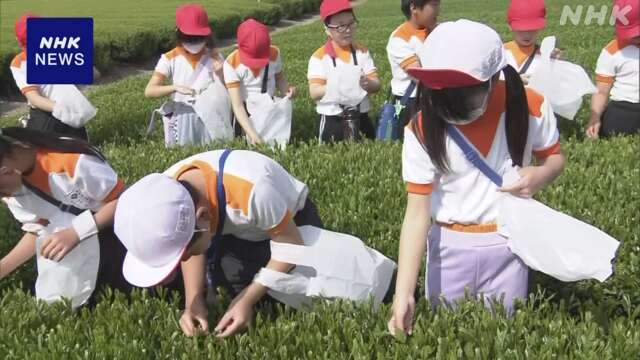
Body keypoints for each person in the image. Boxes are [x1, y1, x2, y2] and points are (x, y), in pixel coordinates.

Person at [388, 20, 565, 336]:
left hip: (511, 244)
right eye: (443, 94)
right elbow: (416, 215)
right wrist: (404, 294)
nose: (452, 105)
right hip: (449, 248)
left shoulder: (530, 105)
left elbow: (554, 158)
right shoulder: (421, 128)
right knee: (449, 336)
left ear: (493, 78)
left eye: (464, 94)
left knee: (506, 335)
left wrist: (542, 174)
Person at [113, 150, 323, 338]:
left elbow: (292, 246)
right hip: (235, 230)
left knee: (279, 300)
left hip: (291, 226)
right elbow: (191, 239)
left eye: (184, 254)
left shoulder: (253, 191)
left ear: (203, 216)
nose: (183, 260)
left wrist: (247, 299)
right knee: (226, 291)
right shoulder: (167, 190)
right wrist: (192, 301)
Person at [0, 127, 131, 305]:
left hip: (119, 240)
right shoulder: (13, 192)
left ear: (5, 171)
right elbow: (38, 230)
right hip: (82, 252)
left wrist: (77, 232)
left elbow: (123, 199)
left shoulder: (69, 161)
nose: (4, 197)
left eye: (1, 191)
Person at [144, 3, 227, 146]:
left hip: (210, 118)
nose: (194, 42)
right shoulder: (170, 58)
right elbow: (149, 91)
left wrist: (221, 74)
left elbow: (229, 91)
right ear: (179, 33)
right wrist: (174, 88)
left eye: (199, 38)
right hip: (182, 118)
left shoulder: (215, 56)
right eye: (189, 38)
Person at [308, 0, 381, 142]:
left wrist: (368, 83)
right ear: (327, 30)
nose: (348, 30)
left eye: (351, 23)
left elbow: (377, 84)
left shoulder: (362, 52)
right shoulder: (319, 57)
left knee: (367, 151)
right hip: (332, 119)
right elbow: (314, 92)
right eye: (340, 26)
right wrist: (337, 84)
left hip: (361, 116)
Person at [10, 13, 90, 140]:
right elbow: (95, 74)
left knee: (35, 148)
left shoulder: (19, 62)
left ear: (18, 40)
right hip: (71, 111)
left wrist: (59, 109)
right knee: (79, 146)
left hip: (46, 117)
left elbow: (34, 98)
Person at [223, 19, 295, 144]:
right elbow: (237, 105)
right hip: (244, 111)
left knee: (275, 141)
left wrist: (287, 91)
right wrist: (252, 134)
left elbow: (279, 78)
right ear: (238, 46)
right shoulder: (231, 64)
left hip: (268, 106)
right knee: (244, 145)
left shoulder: (274, 54)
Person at [586, 0, 640, 138]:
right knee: (612, 129)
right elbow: (601, 91)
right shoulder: (612, 51)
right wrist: (595, 116)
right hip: (624, 105)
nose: (634, 37)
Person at [386, 0, 440, 134]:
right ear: (414, 7)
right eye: (434, 5)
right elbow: (419, 76)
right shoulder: (400, 38)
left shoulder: (436, 31)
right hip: (410, 99)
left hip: (432, 93)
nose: (438, 9)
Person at [503, 0, 563, 85]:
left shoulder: (544, 54)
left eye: (532, 29)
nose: (527, 35)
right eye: (521, 30)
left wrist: (556, 65)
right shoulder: (501, 53)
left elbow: (555, 85)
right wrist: (515, 81)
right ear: (510, 26)